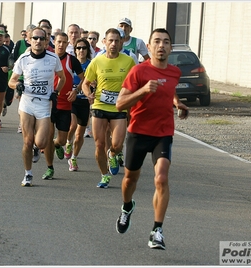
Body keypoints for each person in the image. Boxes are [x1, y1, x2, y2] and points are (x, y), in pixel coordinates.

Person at [114, 28, 189, 249]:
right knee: (129, 180)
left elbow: (170, 88)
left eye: (166, 42)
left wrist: (177, 103)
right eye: (157, 41)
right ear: (149, 46)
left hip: (163, 133)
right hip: (138, 132)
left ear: (171, 48)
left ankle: (157, 230)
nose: (161, 45)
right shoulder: (138, 72)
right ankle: (127, 206)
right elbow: (120, 104)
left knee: (161, 179)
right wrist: (144, 90)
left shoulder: (174, 72)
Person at [8, 27, 66, 187]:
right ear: (30, 40)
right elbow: (11, 81)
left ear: (47, 41)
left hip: (44, 104)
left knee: (41, 142)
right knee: (27, 141)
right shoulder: (23, 59)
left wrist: (56, 92)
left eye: (42, 39)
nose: (38, 41)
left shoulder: (53, 58)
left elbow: (62, 77)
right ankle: (28, 174)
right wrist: (17, 84)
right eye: (35, 38)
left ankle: (36, 147)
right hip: (27, 102)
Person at [82, 28, 136, 188]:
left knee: (118, 145)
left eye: (116, 41)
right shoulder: (97, 61)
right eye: (110, 40)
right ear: (104, 42)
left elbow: (135, 83)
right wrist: (88, 95)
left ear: (121, 43)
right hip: (99, 105)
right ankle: (104, 175)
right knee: (99, 144)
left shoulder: (128, 61)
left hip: (119, 108)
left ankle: (112, 154)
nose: (113, 44)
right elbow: (86, 83)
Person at [42, 32, 84, 180]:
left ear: (68, 44)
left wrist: (76, 90)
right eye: (59, 41)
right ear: (54, 42)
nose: (61, 45)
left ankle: (58, 145)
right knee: (47, 137)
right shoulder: (46, 59)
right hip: (48, 104)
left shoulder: (72, 60)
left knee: (60, 139)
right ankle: (50, 168)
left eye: (64, 42)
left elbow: (84, 79)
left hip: (65, 105)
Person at [64, 38, 92, 171]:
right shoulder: (71, 63)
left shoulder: (91, 64)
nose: (81, 50)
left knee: (80, 135)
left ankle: (73, 158)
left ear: (88, 50)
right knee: (72, 125)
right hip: (72, 100)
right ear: (75, 50)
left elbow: (94, 81)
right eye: (78, 48)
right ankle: (68, 142)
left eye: (84, 48)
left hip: (85, 102)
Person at [12, 24, 37, 133]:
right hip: (21, 77)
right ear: (27, 33)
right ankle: (21, 124)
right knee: (21, 101)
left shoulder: (38, 45)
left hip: (34, 78)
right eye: (30, 33)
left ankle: (30, 123)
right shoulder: (20, 44)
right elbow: (12, 57)